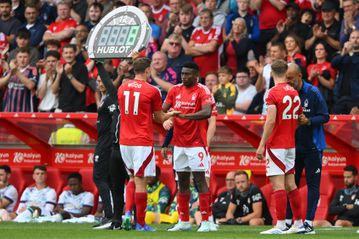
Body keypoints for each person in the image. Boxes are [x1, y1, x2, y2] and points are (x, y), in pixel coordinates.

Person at [118, 57, 176, 231]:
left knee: (131, 179)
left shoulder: (122, 88)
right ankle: (140, 224)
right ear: (147, 70)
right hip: (141, 141)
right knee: (141, 181)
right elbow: (158, 117)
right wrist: (173, 113)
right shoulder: (152, 91)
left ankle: (128, 214)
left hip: (125, 140)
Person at [163, 61, 214, 232]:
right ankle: (184, 220)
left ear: (196, 75)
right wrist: (167, 117)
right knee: (182, 181)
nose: (183, 77)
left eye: (187, 74)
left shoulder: (203, 90)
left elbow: (207, 112)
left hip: (197, 144)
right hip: (178, 144)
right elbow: (163, 111)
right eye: (182, 74)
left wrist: (183, 115)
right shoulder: (174, 90)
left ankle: (206, 221)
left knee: (200, 180)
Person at [255, 60, 304, 234]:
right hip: (291, 143)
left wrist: (261, 145)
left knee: (278, 186)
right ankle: (299, 223)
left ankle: (281, 224)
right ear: (285, 71)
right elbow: (299, 118)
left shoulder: (272, 93)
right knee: (291, 184)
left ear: (271, 73)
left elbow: (270, 121)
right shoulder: (294, 92)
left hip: (276, 144)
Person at [285, 63, 330, 234]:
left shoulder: (313, 92)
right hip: (292, 147)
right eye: (286, 78)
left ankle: (309, 222)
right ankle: (290, 221)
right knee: (291, 184)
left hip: (313, 147)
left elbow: (325, 116)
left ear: (299, 76)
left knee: (313, 185)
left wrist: (308, 121)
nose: (288, 82)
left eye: (290, 78)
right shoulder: (287, 93)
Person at [91, 62, 127, 230]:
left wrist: (98, 64)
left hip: (107, 143)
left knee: (99, 178)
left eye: (101, 80)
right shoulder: (107, 98)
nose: (99, 83)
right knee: (111, 181)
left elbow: (115, 117)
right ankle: (113, 215)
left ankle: (110, 214)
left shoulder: (113, 99)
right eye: (97, 80)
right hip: (108, 143)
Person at [186, 9, 222, 80]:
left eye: (206, 18)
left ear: (212, 19)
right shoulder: (196, 31)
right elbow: (188, 51)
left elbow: (211, 48)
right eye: (201, 18)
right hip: (196, 73)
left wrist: (195, 47)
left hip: (212, 73)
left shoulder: (217, 29)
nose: (203, 20)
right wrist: (206, 49)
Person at [51, 44, 88, 112]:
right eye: (66, 53)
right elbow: (54, 91)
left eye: (71, 52)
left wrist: (69, 75)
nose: (68, 55)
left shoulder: (82, 67)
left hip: (78, 110)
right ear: (62, 54)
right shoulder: (60, 68)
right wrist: (59, 74)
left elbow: (81, 89)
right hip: (61, 109)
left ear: (75, 53)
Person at [332, 30, 359, 114]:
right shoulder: (343, 54)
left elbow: (355, 63)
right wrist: (343, 52)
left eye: (358, 38)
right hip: (340, 96)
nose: (355, 40)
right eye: (353, 38)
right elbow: (333, 64)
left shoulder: (354, 56)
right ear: (349, 40)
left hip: (356, 97)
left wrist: (351, 53)